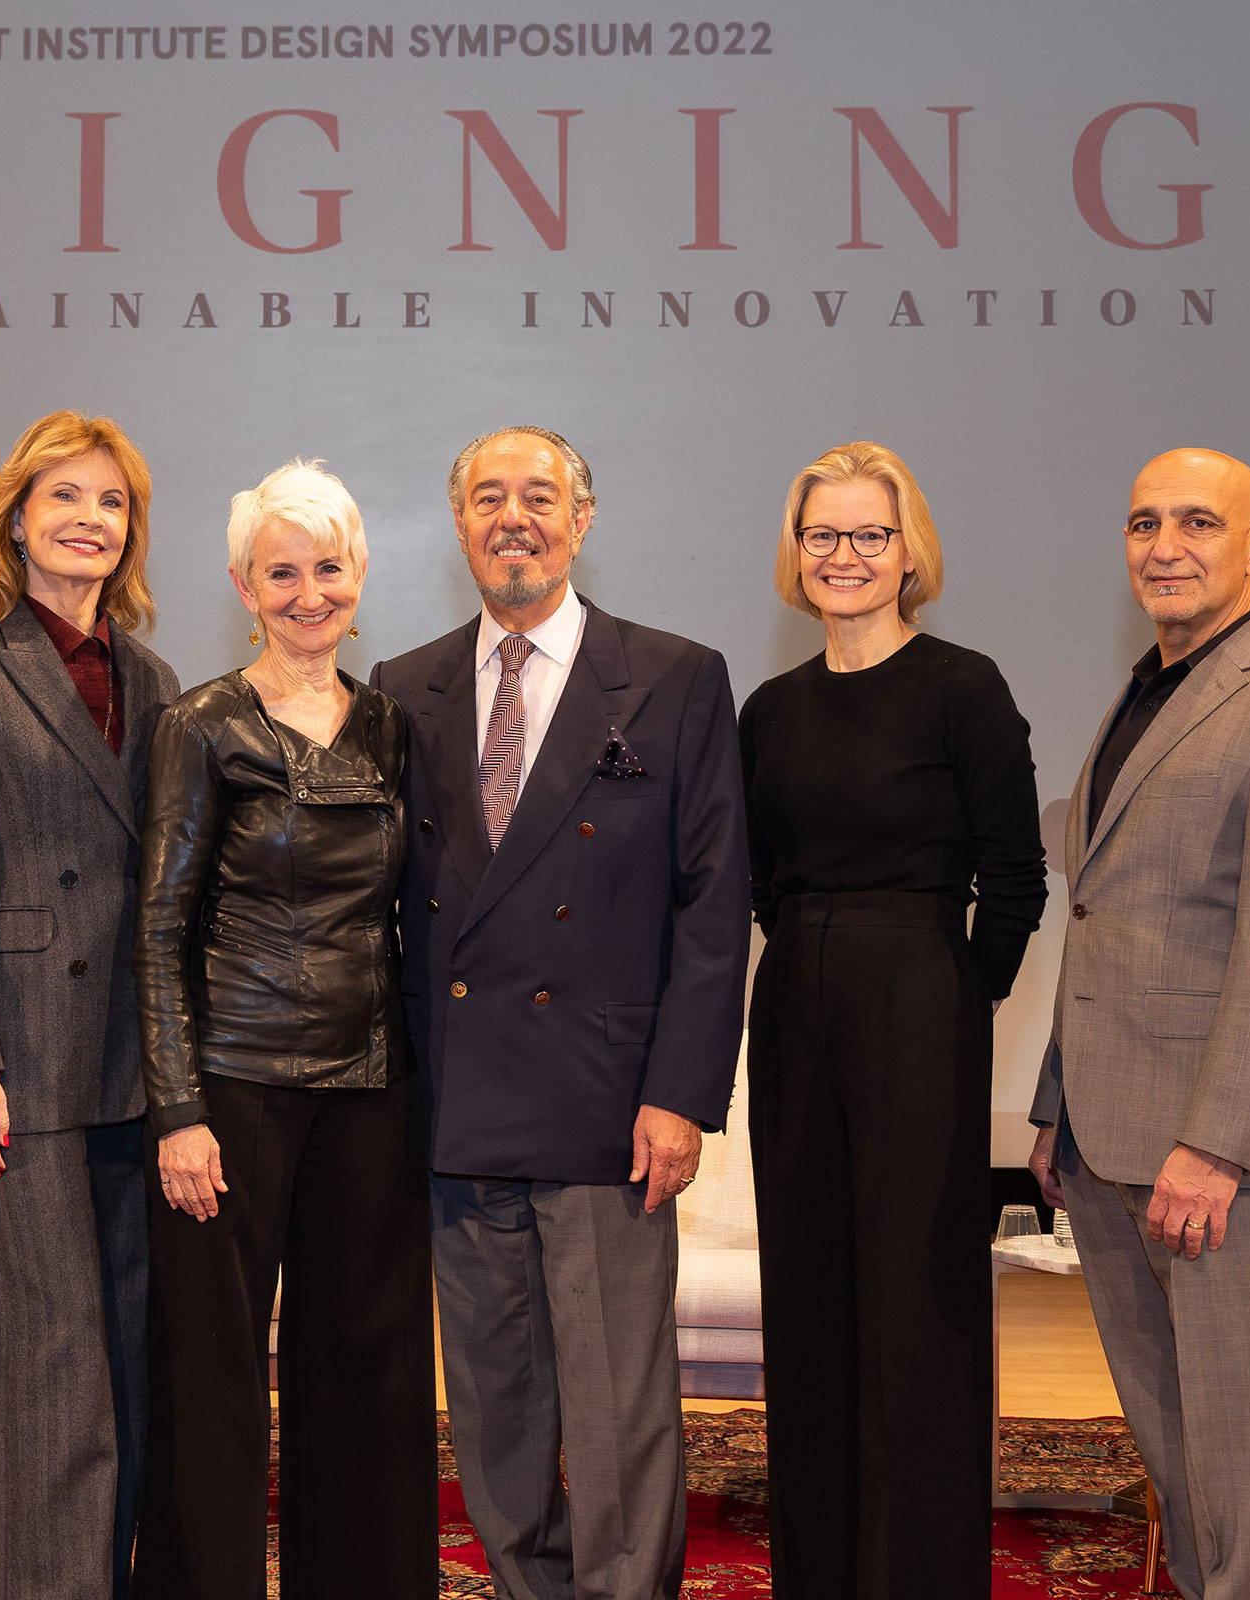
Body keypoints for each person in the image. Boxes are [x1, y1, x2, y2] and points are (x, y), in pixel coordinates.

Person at [371, 427, 750, 1600]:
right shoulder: (405, 687)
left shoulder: (677, 676)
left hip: (607, 1109)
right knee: (495, 1403)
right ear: (459, 524)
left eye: (539, 495)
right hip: (462, 1108)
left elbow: (712, 904)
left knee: (617, 1404)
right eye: (489, 496)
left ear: (582, 520)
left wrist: (680, 1093)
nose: (513, 516)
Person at [1028, 447, 1250, 1600]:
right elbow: (1102, 918)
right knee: (1182, 1462)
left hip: (1221, 1157)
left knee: (1248, 1457)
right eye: (1143, 524)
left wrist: (1217, 1144)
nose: (1165, 547)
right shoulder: (1144, 697)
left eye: (1196, 522)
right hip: (1113, 1139)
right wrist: (1055, 1109)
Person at [738, 441, 1047, 1595]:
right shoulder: (770, 708)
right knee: (810, 1295)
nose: (846, 557)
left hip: (922, 987)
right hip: (796, 1001)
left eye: (870, 534)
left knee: (917, 1304)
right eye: (825, 535)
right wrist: (815, 952)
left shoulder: (963, 685)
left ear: (908, 549)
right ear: (797, 552)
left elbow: (1015, 876)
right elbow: (761, 878)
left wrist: (959, 997)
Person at [131, 460, 435, 1600]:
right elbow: (157, 928)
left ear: (358, 574)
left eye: (329, 567)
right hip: (233, 1092)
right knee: (212, 1382)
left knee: (364, 1370)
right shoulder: (199, 724)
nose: (310, 592)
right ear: (243, 585)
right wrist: (178, 1111)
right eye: (282, 572)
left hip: (371, 1092)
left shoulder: (395, 728)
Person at [0, 411, 178, 1600]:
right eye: (65, 496)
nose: (88, 521)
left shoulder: (154, 675)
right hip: (18, 1066)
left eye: (110, 503)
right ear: (16, 516)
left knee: (124, 1368)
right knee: (47, 1373)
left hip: (138, 1070)